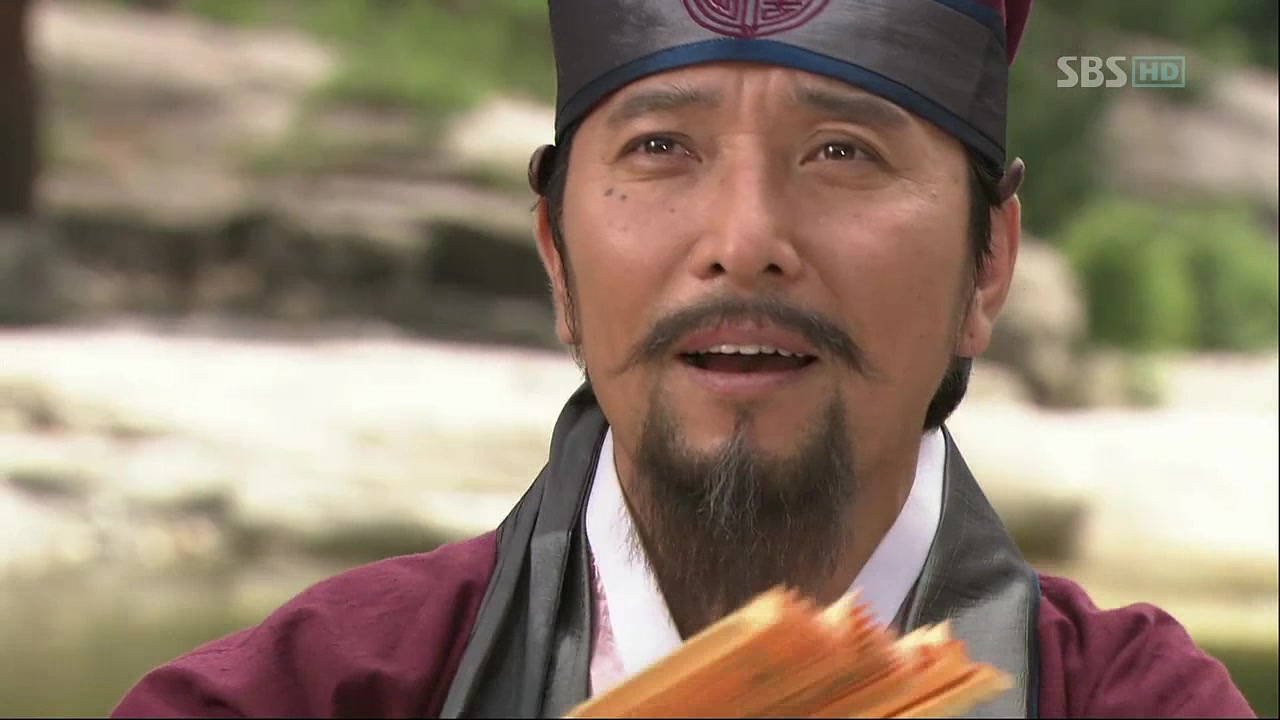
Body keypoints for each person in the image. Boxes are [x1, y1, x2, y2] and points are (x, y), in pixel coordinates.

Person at [112, 0, 1256, 717]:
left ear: (988, 261)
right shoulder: (313, 692)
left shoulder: (1128, 702)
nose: (743, 241)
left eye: (842, 152)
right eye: (661, 146)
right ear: (556, 254)